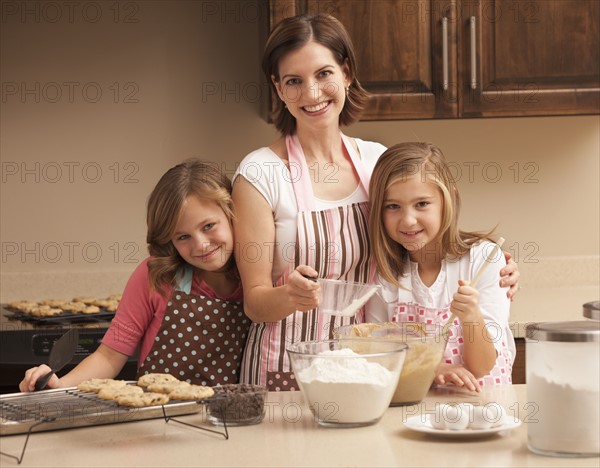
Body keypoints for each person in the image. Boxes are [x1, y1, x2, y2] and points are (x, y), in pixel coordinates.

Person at [232, 13, 519, 392]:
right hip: (284, 369)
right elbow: (254, 302)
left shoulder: (375, 162)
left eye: (323, 74)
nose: (312, 93)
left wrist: (494, 266)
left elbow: (419, 239)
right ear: (278, 88)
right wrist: (289, 296)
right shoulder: (259, 174)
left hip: (370, 369)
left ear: (346, 73)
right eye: (294, 82)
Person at [20, 160, 250, 392]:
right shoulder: (155, 277)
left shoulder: (257, 279)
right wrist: (59, 386)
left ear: (231, 212)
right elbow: (109, 357)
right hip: (161, 417)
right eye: (182, 237)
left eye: (208, 225)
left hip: (230, 420)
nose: (200, 244)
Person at [368, 142, 515, 392]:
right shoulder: (383, 274)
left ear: (449, 199)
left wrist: (472, 317)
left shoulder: (483, 260)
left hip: (482, 410)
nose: (408, 219)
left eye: (422, 204)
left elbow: (480, 367)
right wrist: (434, 369)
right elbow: (378, 360)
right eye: (392, 206)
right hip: (413, 411)